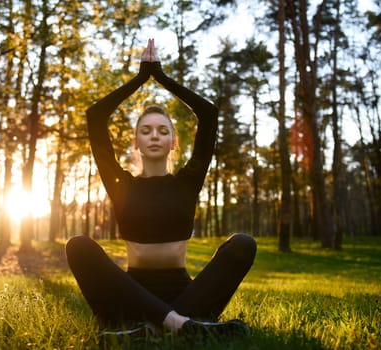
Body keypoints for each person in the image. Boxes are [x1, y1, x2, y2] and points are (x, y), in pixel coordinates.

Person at [66, 39, 257, 339]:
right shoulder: (121, 185)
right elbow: (96, 116)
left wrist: (163, 78)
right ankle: (181, 327)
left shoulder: (187, 180)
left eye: (162, 130)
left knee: (244, 243)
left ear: (173, 141)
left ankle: (150, 330)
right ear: (136, 142)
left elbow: (208, 115)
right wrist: (141, 78)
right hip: (130, 295)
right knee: (78, 245)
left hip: (187, 296)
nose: (154, 136)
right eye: (146, 130)